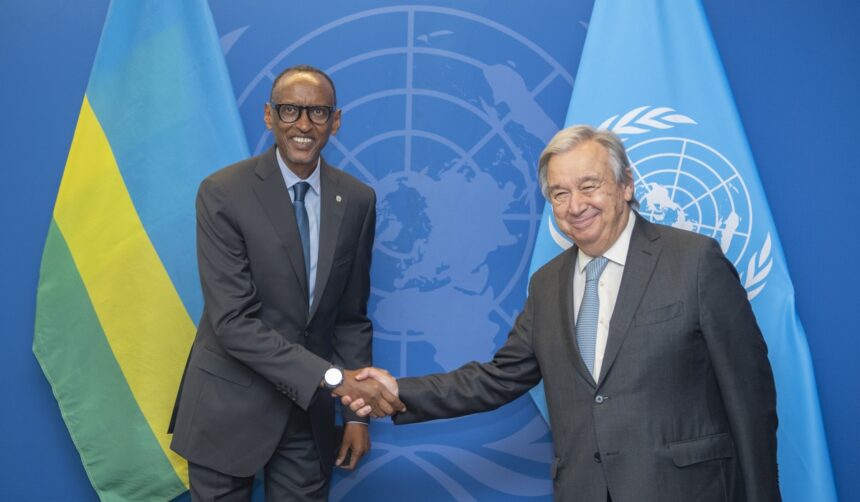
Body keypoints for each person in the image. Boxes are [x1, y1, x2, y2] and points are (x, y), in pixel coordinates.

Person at [344, 125, 779, 502]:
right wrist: (398, 389)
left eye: (589, 186)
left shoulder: (694, 261)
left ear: (626, 185)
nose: (575, 206)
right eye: (560, 193)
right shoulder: (548, 283)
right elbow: (497, 378)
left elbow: (750, 399)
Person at [168, 64, 404, 501]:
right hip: (228, 408)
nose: (303, 125)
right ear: (269, 115)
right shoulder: (223, 192)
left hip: (306, 418)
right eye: (290, 110)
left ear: (335, 121)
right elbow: (233, 322)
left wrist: (356, 417)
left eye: (318, 112)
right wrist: (333, 378)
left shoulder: (357, 200)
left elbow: (350, 317)